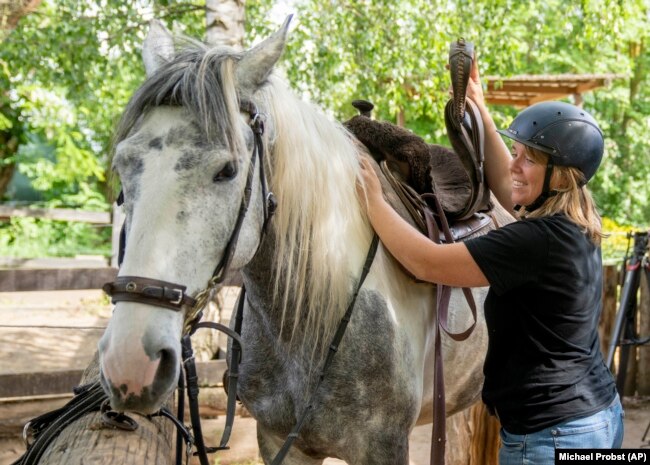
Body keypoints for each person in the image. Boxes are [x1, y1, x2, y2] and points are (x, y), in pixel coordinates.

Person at [357, 59, 624, 464]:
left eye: (528, 159)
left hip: (551, 437)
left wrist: (374, 202)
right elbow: (509, 185)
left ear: (561, 175)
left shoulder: (533, 241)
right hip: (599, 418)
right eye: (515, 153)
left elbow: (426, 262)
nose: (515, 166)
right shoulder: (579, 219)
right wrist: (479, 109)